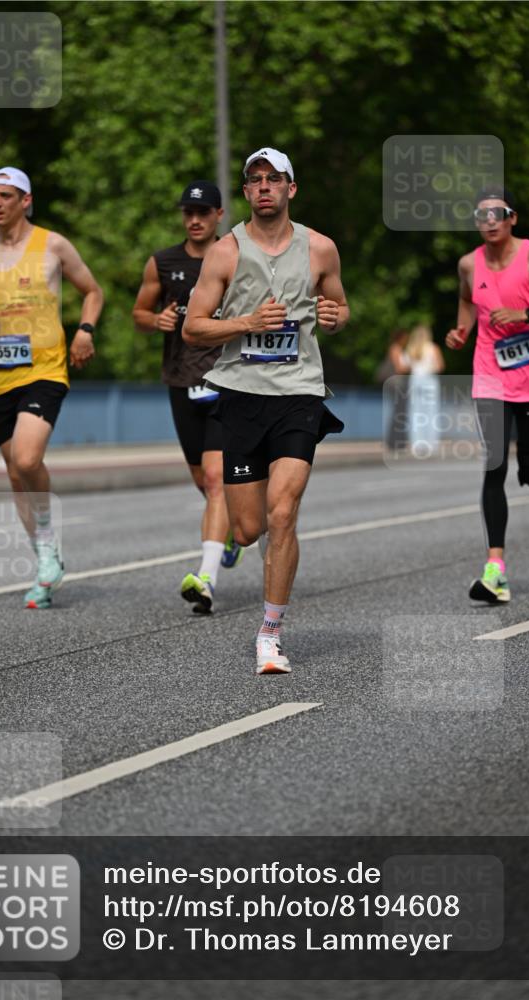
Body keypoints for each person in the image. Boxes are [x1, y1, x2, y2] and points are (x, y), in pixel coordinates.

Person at [184, 147, 349, 673]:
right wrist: (246, 323)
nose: (262, 187)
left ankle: (270, 632)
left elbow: (339, 308)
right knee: (249, 527)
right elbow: (193, 327)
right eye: (253, 180)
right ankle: (249, 551)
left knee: (283, 511)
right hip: (240, 393)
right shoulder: (225, 252)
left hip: (299, 392)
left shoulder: (320, 249)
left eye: (272, 179)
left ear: (290, 188)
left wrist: (334, 315)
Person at [0, 167, 104, 609]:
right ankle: (46, 560)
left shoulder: (52, 245)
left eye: (6, 196)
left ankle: (47, 546)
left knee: (26, 456)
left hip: (45, 369)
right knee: (17, 476)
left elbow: (92, 290)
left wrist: (85, 330)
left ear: (26, 200)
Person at [446, 187, 529, 603]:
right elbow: (468, 301)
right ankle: (495, 570)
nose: (488, 221)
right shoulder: (469, 263)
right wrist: (461, 331)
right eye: (480, 215)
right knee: (494, 465)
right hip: (490, 376)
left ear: (512, 218)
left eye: (497, 213)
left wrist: (528, 314)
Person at [132, 180, 242, 616]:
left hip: (227, 379)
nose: (194, 220)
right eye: (188, 213)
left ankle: (207, 578)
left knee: (216, 480)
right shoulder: (163, 262)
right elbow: (139, 314)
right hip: (180, 380)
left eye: (203, 212)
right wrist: (153, 319)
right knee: (203, 480)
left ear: (219, 214)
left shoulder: (236, 256)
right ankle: (229, 532)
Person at [405, 324, 444, 457]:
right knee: (431, 413)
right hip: (429, 381)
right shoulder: (433, 348)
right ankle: (431, 443)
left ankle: (417, 443)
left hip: (415, 381)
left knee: (415, 413)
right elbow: (439, 367)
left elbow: (405, 366)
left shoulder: (411, 349)